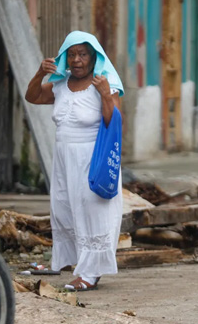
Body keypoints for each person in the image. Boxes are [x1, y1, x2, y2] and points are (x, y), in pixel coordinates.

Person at [24, 31, 124, 291]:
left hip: (92, 157)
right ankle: (77, 262)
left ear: (94, 58)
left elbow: (113, 122)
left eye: (83, 54)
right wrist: (39, 73)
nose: (77, 60)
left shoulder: (105, 83)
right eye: (72, 55)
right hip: (63, 158)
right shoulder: (60, 84)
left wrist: (104, 95)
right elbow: (32, 97)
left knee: (93, 211)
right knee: (67, 208)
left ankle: (91, 273)